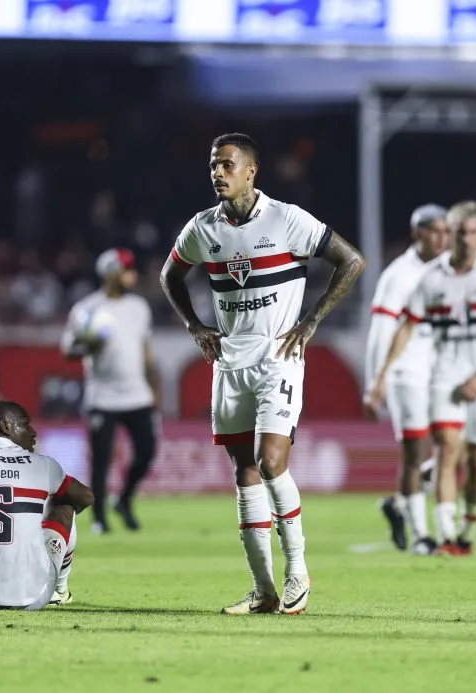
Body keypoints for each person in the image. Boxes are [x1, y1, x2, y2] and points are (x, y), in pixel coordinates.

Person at [160, 133, 365, 615]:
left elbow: (352, 261)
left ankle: (298, 572)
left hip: (278, 358)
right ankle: (263, 590)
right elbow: (169, 276)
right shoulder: (202, 227)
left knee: (270, 462)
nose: (217, 173)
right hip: (229, 362)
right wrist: (194, 326)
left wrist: (311, 322)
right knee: (244, 472)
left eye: (227, 165)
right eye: (213, 165)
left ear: (251, 171)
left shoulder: (286, 219)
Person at [367, 201, 476, 557]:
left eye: (468, 232)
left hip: (466, 375)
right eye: (453, 233)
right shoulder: (413, 276)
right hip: (427, 375)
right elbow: (394, 327)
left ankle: (430, 515)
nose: (457, 239)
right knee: (434, 451)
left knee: (470, 458)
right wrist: (379, 377)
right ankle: (435, 535)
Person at [0, 400, 94, 609]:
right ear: (5, 426)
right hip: (31, 598)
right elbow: (86, 497)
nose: (33, 432)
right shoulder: (42, 465)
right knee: (63, 503)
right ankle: (59, 591)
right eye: (25, 424)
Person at [361, 204, 449, 554]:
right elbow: (381, 330)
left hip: (442, 372)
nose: (442, 238)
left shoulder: (452, 270)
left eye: (447, 231)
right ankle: (423, 535)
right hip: (406, 371)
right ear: (418, 233)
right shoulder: (398, 275)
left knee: (459, 449)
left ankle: (398, 504)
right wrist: (375, 381)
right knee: (415, 452)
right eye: (435, 231)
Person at [61, 247, 161, 534]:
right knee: (101, 458)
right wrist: (89, 344)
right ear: (110, 273)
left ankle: (124, 499)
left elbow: (146, 352)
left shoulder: (139, 307)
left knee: (147, 450)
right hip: (102, 396)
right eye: (127, 270)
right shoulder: (87, 308)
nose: (133, 275)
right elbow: (68, 348)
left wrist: (154, 389)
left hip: (137, 394)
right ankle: (99, 517)